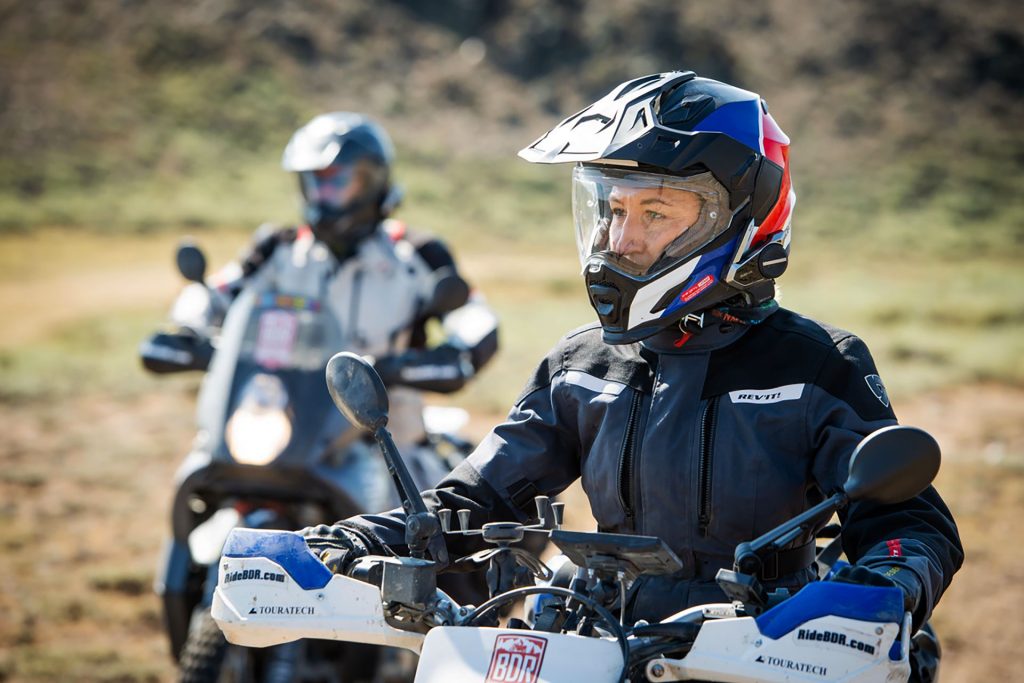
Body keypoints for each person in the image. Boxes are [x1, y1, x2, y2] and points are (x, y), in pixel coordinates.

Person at [301, 73, 962, 658]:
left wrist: (886, 582)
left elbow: (911, 524)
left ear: (737, 219)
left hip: (766, 654)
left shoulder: (814, 365)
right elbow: (474, 500)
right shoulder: (581, 365)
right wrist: (347, 539)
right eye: (614, 209)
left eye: (655, 211)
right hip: (595, 641)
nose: (622, 239)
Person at [145, 111, 499, 489]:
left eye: (337, 181)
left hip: (384, 441)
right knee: (196, 480)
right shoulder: (277, 249)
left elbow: (473, 314)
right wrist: (186, 328)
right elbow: (215, 294)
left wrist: (458, 351)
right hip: (284, 424)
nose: (323, 195)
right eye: (315, 183)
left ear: (373, 180)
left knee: (426, 532)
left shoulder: (416, 253)